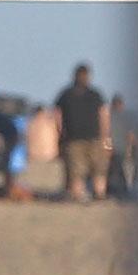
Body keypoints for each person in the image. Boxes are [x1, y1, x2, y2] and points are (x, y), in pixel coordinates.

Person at [54, 63, 111, 202]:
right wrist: (106, 137)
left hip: (77, 138)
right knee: (94, 170)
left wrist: (60, 133)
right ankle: (97, 194)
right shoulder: (94, 94)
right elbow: (104, 115)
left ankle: (83, 195)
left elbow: (57, 116)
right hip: (84, 139)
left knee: (81, 171)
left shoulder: (67, 94)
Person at [107, 94, 137, 198]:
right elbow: (130, 135)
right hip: (117, 148)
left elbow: (130, 135)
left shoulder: (110, 116)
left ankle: (117, 189)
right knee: (118, 170)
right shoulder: (123, 117)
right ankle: (120, 189)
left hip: (117, 148)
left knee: (116, 170)